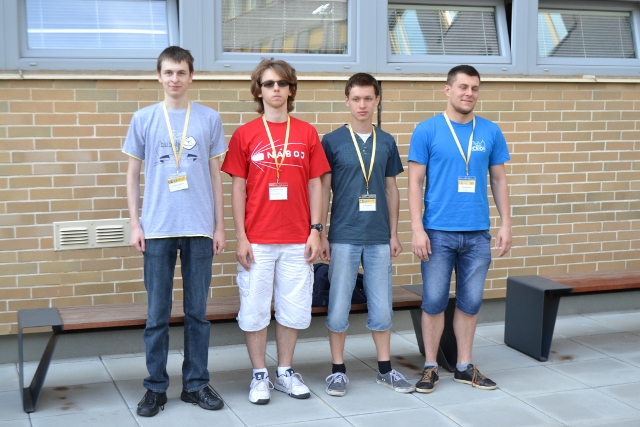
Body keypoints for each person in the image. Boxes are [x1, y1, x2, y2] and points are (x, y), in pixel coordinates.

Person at [124, 46, 226, 416]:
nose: (175, 79)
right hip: (157, 229)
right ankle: (155, 388)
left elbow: (216, 176)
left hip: (199, 228)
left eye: (181, 72)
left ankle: (196, 385)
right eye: (168, 72)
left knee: (197, 313)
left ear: (191, 76)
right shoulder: (144, 118)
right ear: (159, 76)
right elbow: (133, 175)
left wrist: (219, 226)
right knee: (157, 315)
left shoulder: (209, 118)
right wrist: (135, 224)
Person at [221, 59, 330, 405]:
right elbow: (238, 189)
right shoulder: (245, 134)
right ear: (259, 91)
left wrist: (316, 230)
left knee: (292, 309)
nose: (276, 89)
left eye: (282, 83)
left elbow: (316, 185)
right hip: (258, 240)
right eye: (269, 84)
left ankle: (284, 372)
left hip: (299, 239)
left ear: (291, 89)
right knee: (254, 310)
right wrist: (241, 237)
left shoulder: (307, 132)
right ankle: (259, 375)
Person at [407, 64, 512, 393]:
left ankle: (464, 366)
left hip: (477, 233)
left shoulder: (490, 131)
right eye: (463, 87)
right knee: (433, 301)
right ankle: (430, 366)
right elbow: (414, 182)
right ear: (448, 90)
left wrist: (506, 223)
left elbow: (499, 180)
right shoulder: (427, 130)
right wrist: (417, 229)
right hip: (437, 232)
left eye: (475, 88)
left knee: (471, 302)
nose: (469, 93)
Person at [319, 73, 414, 397]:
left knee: (382, 307)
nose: (362, 104)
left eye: (368, 99)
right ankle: (337, 371)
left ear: (377, 101)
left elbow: (391, 190)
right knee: (338, 306)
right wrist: (321, 233)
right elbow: (323, 190)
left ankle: (385, 370)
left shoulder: (386, 141)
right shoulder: (332, 141)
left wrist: (394, 234)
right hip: (343, 236)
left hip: (378, 238)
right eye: (356, 99)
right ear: (347, 101)